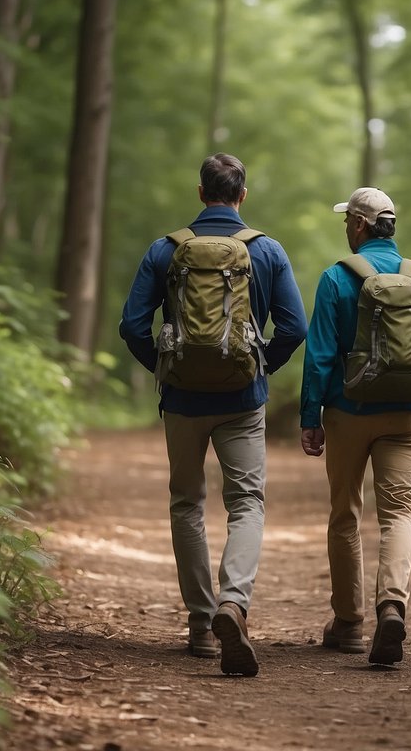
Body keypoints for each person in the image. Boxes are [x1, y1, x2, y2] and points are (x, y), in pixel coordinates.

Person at [119, 153, 307, 677]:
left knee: (187, 504)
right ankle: (234, 604)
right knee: (246, 502)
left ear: (201, 193)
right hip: (243, 401)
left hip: (181, 399)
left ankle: (202, 624)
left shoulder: (166, 250)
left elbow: (132, 326)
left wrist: (164, 367)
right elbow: (294, 327)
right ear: (242, 195)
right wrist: (258, 367)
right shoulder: (266, 251)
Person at [299, 187, 411, 665]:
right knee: (398, 512)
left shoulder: (335, 278)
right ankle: (391, 604)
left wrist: (312, 417)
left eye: (349, 220)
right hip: (405, 414)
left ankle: (348, 623)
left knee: (345, 513)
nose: (345, 226)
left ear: (362, 226)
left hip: (348, 412)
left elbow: (321, 356)